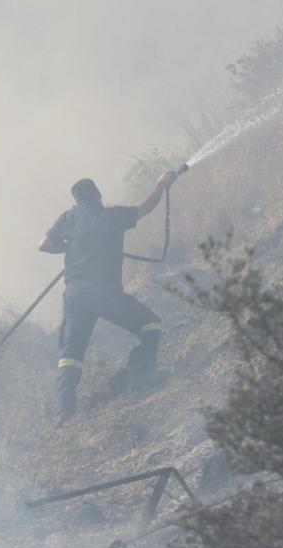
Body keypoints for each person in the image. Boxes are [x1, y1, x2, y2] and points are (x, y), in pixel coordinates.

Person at [39, 171, 179, 427]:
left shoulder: (68, 218)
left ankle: (63, 414)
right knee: (150, 323)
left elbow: (44, 245)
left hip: (75, 296)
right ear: (98, 195)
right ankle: (140, 374)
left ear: (76, 201)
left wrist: (71, 247)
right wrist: (160, 184)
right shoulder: (113, 216)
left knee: (70, 355)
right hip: (104, 292)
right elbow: (147, 207)